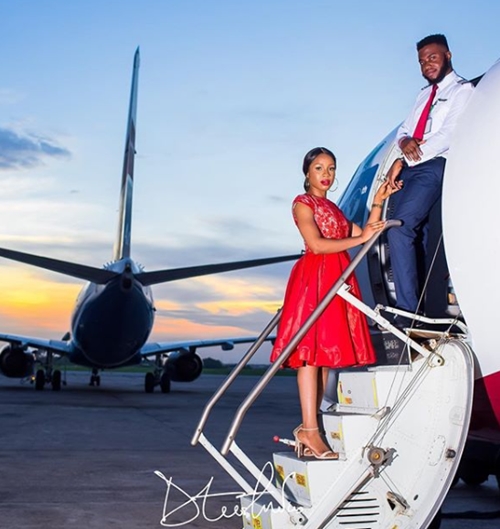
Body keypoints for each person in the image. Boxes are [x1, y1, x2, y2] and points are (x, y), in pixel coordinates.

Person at [270, 147, 400, 460]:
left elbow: (366, 235)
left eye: (330, 168)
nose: (326, 175)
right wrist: (358, 239)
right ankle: (310, 430)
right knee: (309, 355)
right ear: (307, 174)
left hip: (337, 280)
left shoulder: (335, 210)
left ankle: (314, 426)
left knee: (328, 355)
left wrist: (379, 200)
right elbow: (315, 244)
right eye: (319, 168)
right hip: (314, 279)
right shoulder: (303, 204)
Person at [387, 34, 474, 325]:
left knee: (399, 229)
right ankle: (423, 310)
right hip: (412, 167)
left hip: (433, 166)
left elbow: (449, 135)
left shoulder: (463, 91)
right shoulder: (423, 95)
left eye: (432, 58)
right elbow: (403, 130)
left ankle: (407, 312)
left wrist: (410, 154)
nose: (427, 65)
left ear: (448, 55)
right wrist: (403, 143)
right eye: (422, 61)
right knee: (420, 239)